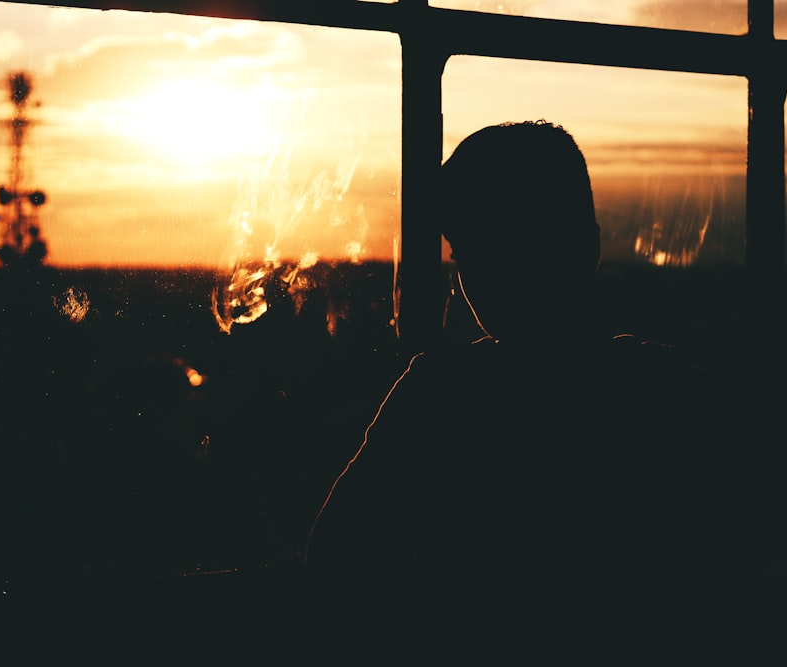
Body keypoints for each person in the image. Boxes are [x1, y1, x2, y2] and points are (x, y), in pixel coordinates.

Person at [305, 121, 749, 659]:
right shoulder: (687, 403)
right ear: (591, 246)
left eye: (473, 250)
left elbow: (338, 560)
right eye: (468, 252)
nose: (473, 275)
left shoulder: (439, 400)